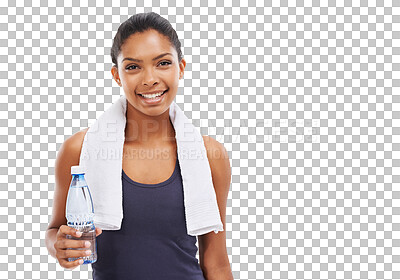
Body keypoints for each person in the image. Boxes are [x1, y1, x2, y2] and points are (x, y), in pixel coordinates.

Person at [45, 12, 233, 279]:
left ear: (180, 67)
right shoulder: (80, 149)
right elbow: (55, 230)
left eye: (163, 63)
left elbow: (216, 263)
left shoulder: (209, 155)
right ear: (117, 75)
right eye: (133, 67)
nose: (150, 79)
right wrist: (59, 246)